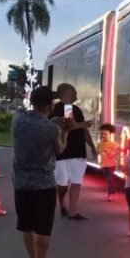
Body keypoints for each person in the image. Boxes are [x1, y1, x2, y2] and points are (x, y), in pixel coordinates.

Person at [12, 86, 74, 258]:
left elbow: (32, 121)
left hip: (21, 182)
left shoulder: (18, 120)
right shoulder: (50, 128)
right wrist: (66, 131)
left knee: (27, 225)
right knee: (43, 227)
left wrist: (53, 123)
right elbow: (60, 150)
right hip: (43, 183)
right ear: (50, 105)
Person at [50, 83, 97, 220]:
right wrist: (82, 124)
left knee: (76, 182)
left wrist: (92, 147)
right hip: (63, 151)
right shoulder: (59, 109)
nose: (77, 93)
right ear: (66, 93)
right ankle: (62, 202)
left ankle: (72, 211)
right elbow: (67, 127)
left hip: (78, 151)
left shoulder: (74, 109)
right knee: (62, 184)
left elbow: (83, 130)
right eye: (74, 91)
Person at [97, 123, 119, 201]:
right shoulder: (100, 143)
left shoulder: (113, 144)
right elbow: (98, 151)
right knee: (108, 179)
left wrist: (111, 155)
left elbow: (118, 151)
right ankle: (111, 193)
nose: (104, 135)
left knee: (110, 179)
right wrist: (101, 153)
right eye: (102, 134)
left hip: (111, 164)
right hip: (104, 165)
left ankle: (110, 194)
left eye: (106, 134)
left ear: (110, 135)